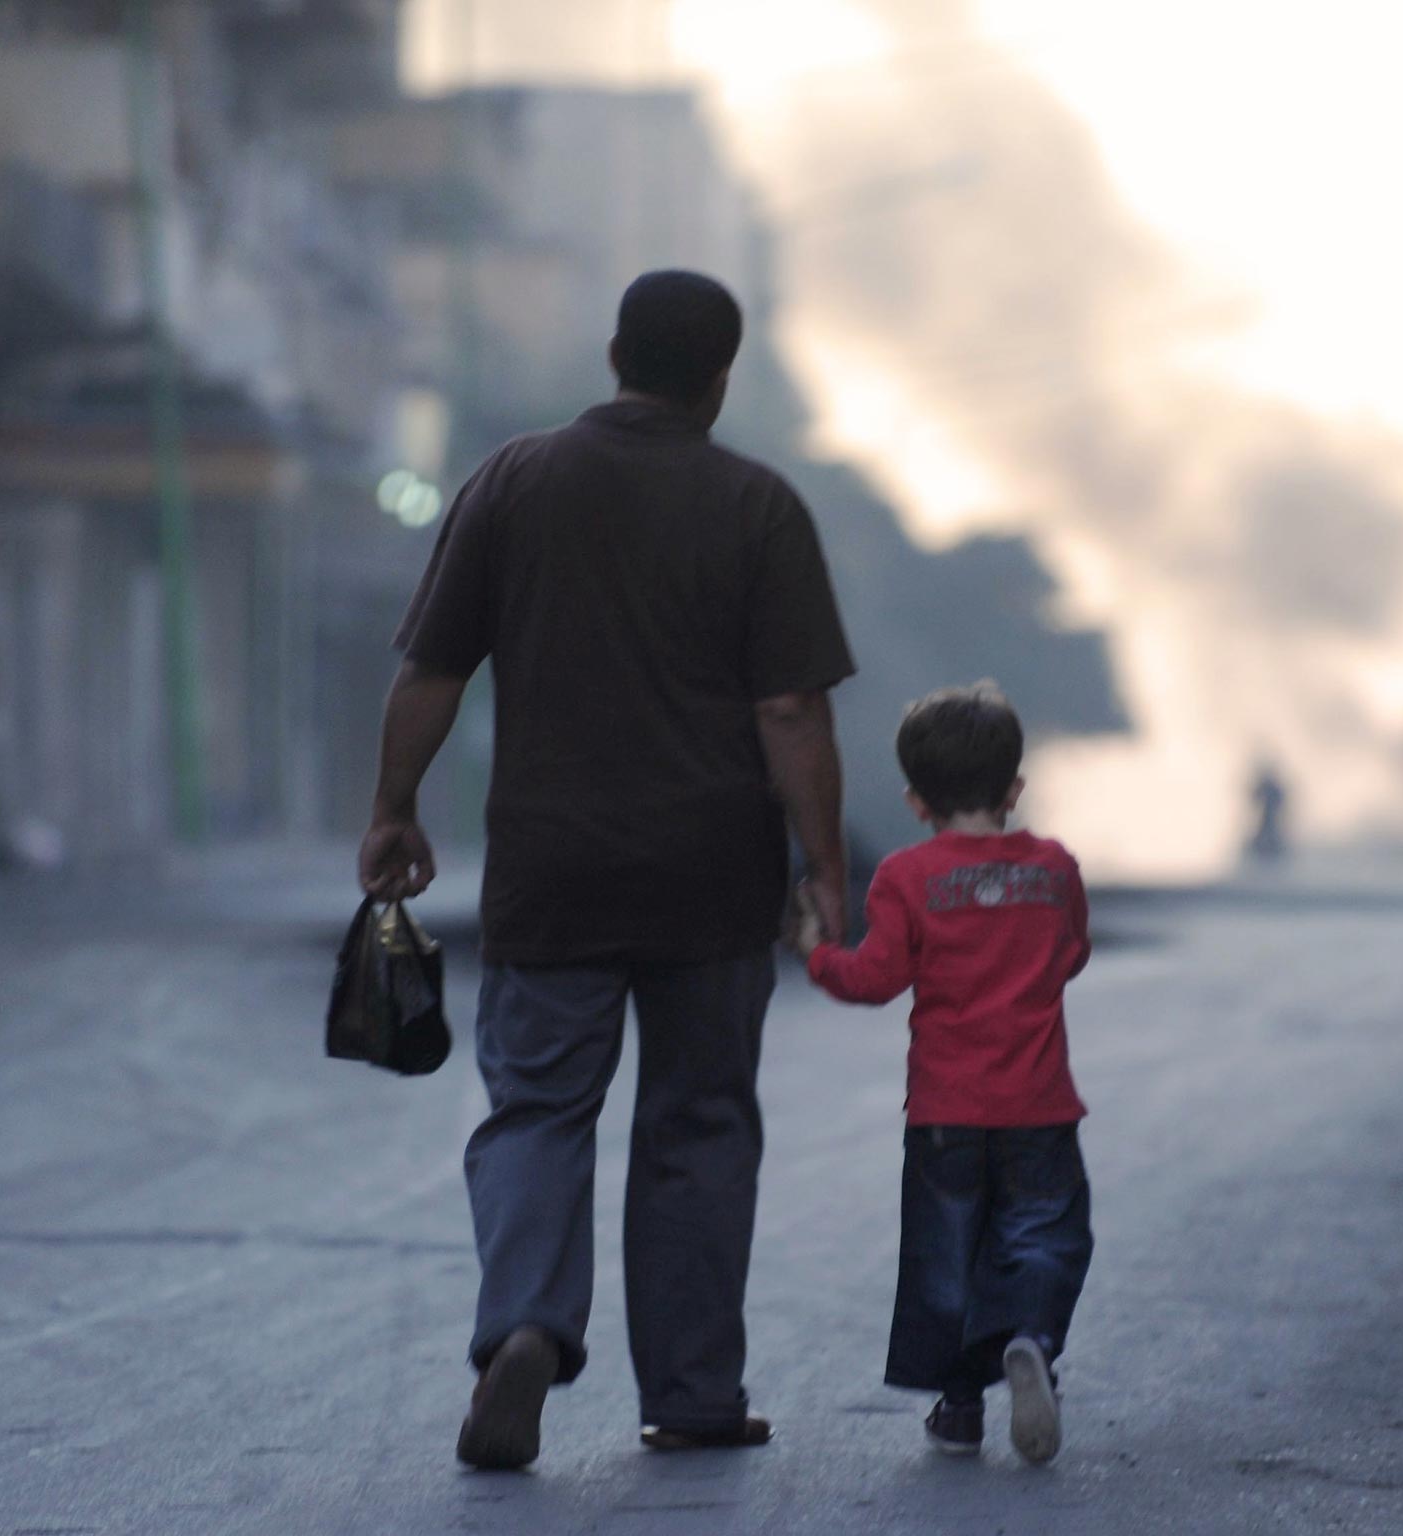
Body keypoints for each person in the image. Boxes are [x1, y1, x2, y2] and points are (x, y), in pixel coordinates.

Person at [359, 270, 855, 1470]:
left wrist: (392, 806)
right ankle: (690, 1394)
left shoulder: (515, 481)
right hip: (711, 880)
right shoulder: (759, 507)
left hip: (552, 875)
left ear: (614, 353)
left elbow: (433, 667)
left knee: (534, 1111)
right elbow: (789, 707)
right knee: (697, 1127)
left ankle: (525, 1327)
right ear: (719, 378)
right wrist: (824, 867)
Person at [792, 682, 1093, 1464]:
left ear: (917, 801)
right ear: (1014, 790)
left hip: (945, 1115)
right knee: (1042, 1236)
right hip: (1039, 1108)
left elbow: (872, 980)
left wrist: (814, 953)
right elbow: (1072, 954)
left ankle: (960, 1409)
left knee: (946, 1258)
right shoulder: (1054, 869)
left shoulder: (905, 876)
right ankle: (1029, 1339)